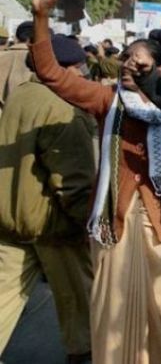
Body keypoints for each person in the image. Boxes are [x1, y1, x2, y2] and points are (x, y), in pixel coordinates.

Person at [29, 0, 161, 364]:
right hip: (114, 225)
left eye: (140, 63)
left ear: (157, 70)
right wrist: (41, 17)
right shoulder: (107, 101)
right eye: (126, 59)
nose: (129, 66)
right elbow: (51, 74)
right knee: (112, 318)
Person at [0, 35, 95, 363]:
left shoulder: (23, 94)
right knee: (79, 306)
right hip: (53, 227)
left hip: (10, 219)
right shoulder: (63, 108)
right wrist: (88, 226)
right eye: (78, 68)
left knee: (3, 299)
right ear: (63, 69)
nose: (83, 75)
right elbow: (73, 183)